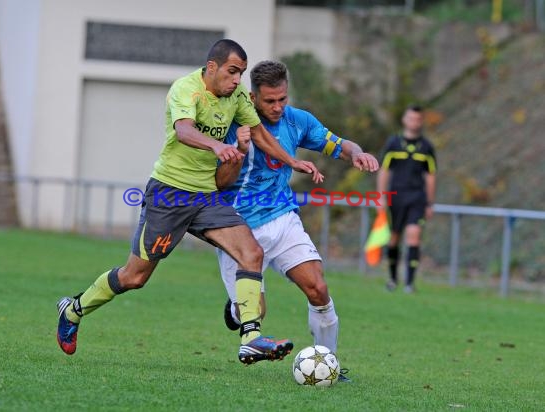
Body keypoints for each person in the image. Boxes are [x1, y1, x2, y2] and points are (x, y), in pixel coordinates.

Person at [56, 39, 324, 365]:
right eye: (232, 71)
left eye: (240, 72)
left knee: (250, 251)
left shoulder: (237, 96)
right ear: (212, 67)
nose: (238, 79)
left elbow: (258, 133)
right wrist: (215, 146)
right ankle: (73, 309)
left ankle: (251, 338)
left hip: (207, 197)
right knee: (135, 277)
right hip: (169, 194)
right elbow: (183, 130)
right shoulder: (186, 89)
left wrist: (291, 161)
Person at [214, 60, 379, 382]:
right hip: (238, 228)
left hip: (282, 218)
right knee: (254, 312)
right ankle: (235, 311)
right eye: (269, 101)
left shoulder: (297, 121)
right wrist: (239, 148)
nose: (277, 107)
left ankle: (329, 363)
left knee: (318, 289)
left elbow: (338, 143)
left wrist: (357, 153)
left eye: (282, 99)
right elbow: (219, 183)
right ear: (253, 97)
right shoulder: (233, 124)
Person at [377, 105, 437, 293]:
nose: (414, 122)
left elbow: (431, 176)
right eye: (411, 118)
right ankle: (393, 279)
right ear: (404, 120)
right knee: (394, 237)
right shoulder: (393, 143)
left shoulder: (427, 147)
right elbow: (385, 171)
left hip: (417, 197)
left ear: (421, 122)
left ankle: (410, 283)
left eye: (418, 119)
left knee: (413, 236)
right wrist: (381, 197)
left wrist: (429, 202)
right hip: (396, 196)